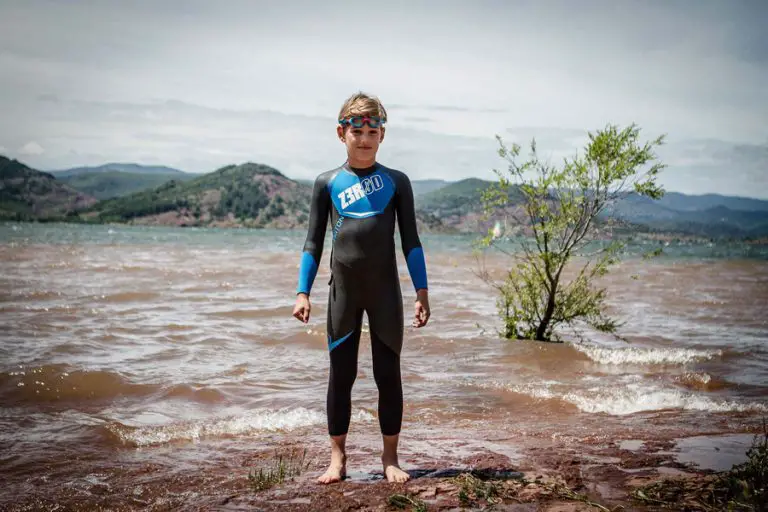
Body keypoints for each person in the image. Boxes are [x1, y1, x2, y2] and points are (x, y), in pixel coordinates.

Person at [292, 92, 431, 484]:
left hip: (385, 292)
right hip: (344, 295)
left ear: (382, 136)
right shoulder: (327, 183)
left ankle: (390, 458)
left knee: (388, 374)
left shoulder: (397, 182)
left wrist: (422, 292)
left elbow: (412, 242)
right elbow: (313, 243)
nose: (365, 137)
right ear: (342, 133)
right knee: (341, 375)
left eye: (373, 130)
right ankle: (338, 459)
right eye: (358, 130)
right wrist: (303, 292)